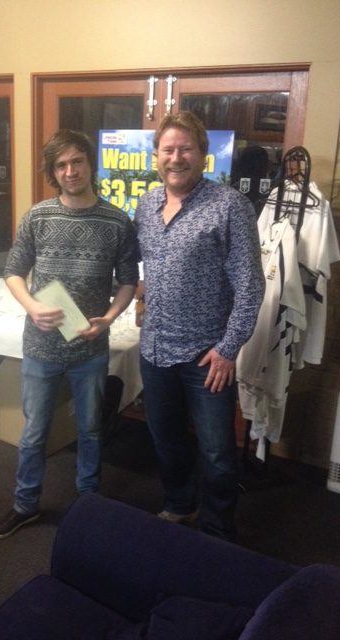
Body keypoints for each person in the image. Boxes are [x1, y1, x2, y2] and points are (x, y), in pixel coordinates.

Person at [0, 129, 139, 540]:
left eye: (77, 161)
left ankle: (88, 502)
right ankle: (25, 505)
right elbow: (13, 271)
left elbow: (128, 281)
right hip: (41, 347)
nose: (71, 171)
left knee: (90, 429)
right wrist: (32, 306)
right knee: (34, 431)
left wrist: (109, 318)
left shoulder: (117, 221)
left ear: (90, 164)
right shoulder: (37, 216)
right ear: (53, 172)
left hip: (90, 346)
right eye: (61, 165)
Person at [134, 112, 265, 541]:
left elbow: (250, 285)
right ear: (157, 156)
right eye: (168, 149)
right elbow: (147, 268)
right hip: (154, 351)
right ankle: (180, 504)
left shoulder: (229, 206)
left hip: (206, 357)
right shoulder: (146, 205)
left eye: (185, 149)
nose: (176, 157)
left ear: (203, 154)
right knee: (166, 440)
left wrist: (228, 349)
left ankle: (216, 530)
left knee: (217, 452)